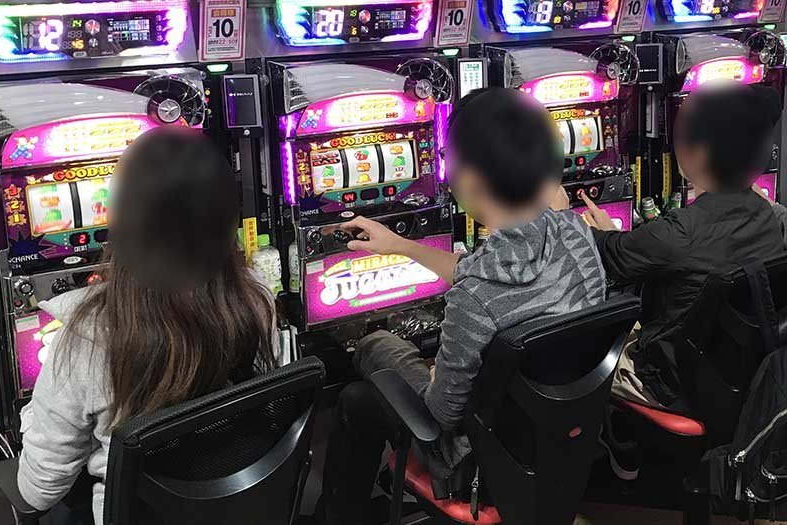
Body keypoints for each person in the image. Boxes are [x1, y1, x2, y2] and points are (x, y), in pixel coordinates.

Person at [318, 87, 608, 524]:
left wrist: (438, 377)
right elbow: (483, 273)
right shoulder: (575, 231)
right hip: (562, 436)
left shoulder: (474, 298)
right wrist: (401, 246)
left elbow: (442, 414)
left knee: (371, 357)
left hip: (483, 465)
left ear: (470, 180)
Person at [16, 127, 278, 525]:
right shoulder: (256, 298)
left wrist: (32, 416)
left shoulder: (88, 334)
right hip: (240, 507)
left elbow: (37, 489)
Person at [581, 83, 787, 478]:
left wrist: (562, 214)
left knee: (581, 344)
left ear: (699, 154)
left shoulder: (680, 233)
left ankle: (618, 445)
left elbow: (610, 257)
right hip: (741, 373)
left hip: (672, 384)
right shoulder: (768, 215)